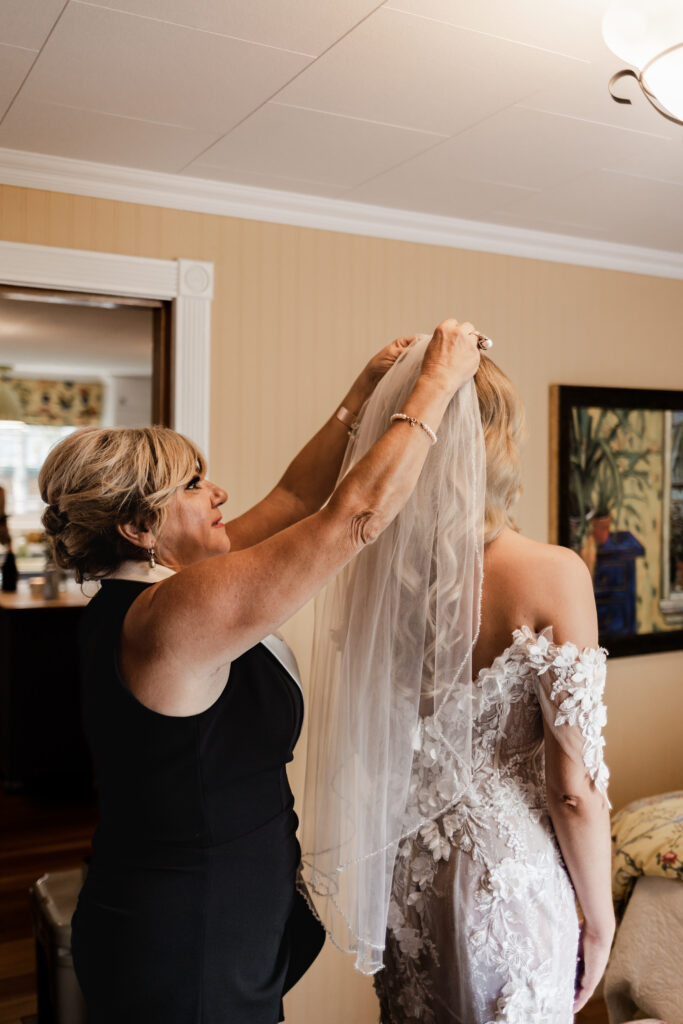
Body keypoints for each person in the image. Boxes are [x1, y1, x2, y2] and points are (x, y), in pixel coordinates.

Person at [38, 319, 482, 1024]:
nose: (216, 493)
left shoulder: (158, 589)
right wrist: (438, 382)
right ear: (138, 527)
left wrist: (361, 394)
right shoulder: (173, 613)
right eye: (192, 484)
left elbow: (296, 501)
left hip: (200, 905)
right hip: (187, 938)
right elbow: (353, 517)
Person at [300, 338, 614, 1023]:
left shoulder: (378, 578)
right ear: (497, 444)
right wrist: (600, 919)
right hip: (507, 875)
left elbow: (370, 741)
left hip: (408, 867)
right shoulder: (551, 571)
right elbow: (572, 790)